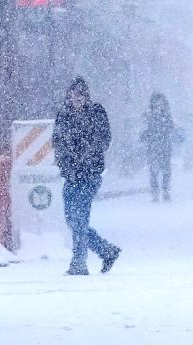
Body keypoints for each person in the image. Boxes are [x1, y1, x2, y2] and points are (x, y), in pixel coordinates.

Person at [52, 77, 120, 275]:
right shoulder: (63, 115)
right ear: (69, 95)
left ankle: (79, 263)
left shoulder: (96, 112)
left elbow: (104, 139)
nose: (78, 97)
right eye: (75, 93)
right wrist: (65, 162)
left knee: (80, 217)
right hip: (71, 175)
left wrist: (86, 156)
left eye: (82, 94)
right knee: (71, 219)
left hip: (90, 174)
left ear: (87, 96)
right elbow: (57, 141)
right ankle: (107, 250)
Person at [140, 92, 177, 202]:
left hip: (164, 147)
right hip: (153, 147)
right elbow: (145, 129)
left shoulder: (166, 115)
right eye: (157, 101)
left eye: (161, 101)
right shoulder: (148, 114)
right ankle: (155, 192)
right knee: (153, 171)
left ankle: (165, 190)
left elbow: (170, 127)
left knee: (166, 170)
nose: (159, 104)